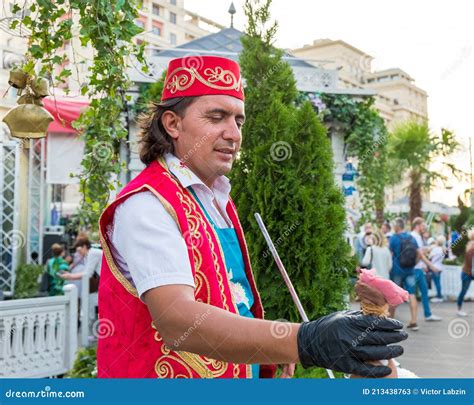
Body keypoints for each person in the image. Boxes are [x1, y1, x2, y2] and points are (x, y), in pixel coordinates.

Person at [95, 55, 407, 379]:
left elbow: (231, 299)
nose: (233, 134)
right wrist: (303, 341)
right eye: (217, 117)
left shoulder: (215, 199)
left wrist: (272, 346)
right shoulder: (147, 204)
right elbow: (178, 321)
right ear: (173, 124)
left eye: (238, 121)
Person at [389, 218, 419, 330]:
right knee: (412, 294)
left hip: (397, 271)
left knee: (394, 294)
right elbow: (418, 253)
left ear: (397, 226)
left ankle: (390, 322)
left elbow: (390, 254)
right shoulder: (412, 238)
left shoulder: (394, 238)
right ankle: (414, 321)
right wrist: (414, 264)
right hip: (410, 270)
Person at [410, 217, 442, 322]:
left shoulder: (414, 236)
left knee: (421, 292)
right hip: (416, 269)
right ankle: (417, 319)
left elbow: (419, 253)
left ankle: (427, 315)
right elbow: (420, 254)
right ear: (418, 225)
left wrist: (425, 250)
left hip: (417, 269)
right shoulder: (416, 237)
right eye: (423, 225)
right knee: (411, 294)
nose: (424, 227)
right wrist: (431, 266)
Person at [457, 229, 474, 317]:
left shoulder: (469, 245)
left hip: (467, 272)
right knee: (463, 291)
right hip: (468, 273)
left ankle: (459, 310)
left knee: (463, 291)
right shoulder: (471, 246)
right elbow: (471, 262)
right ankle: (459, 310)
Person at [428, 235, 446, 303]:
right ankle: (439, 295)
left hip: (434, 267)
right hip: (440, 267)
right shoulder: (443, 249)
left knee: (437, 283)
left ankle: (439, 296)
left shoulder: (435, 249)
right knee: (438, 282)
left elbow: (429, 257)